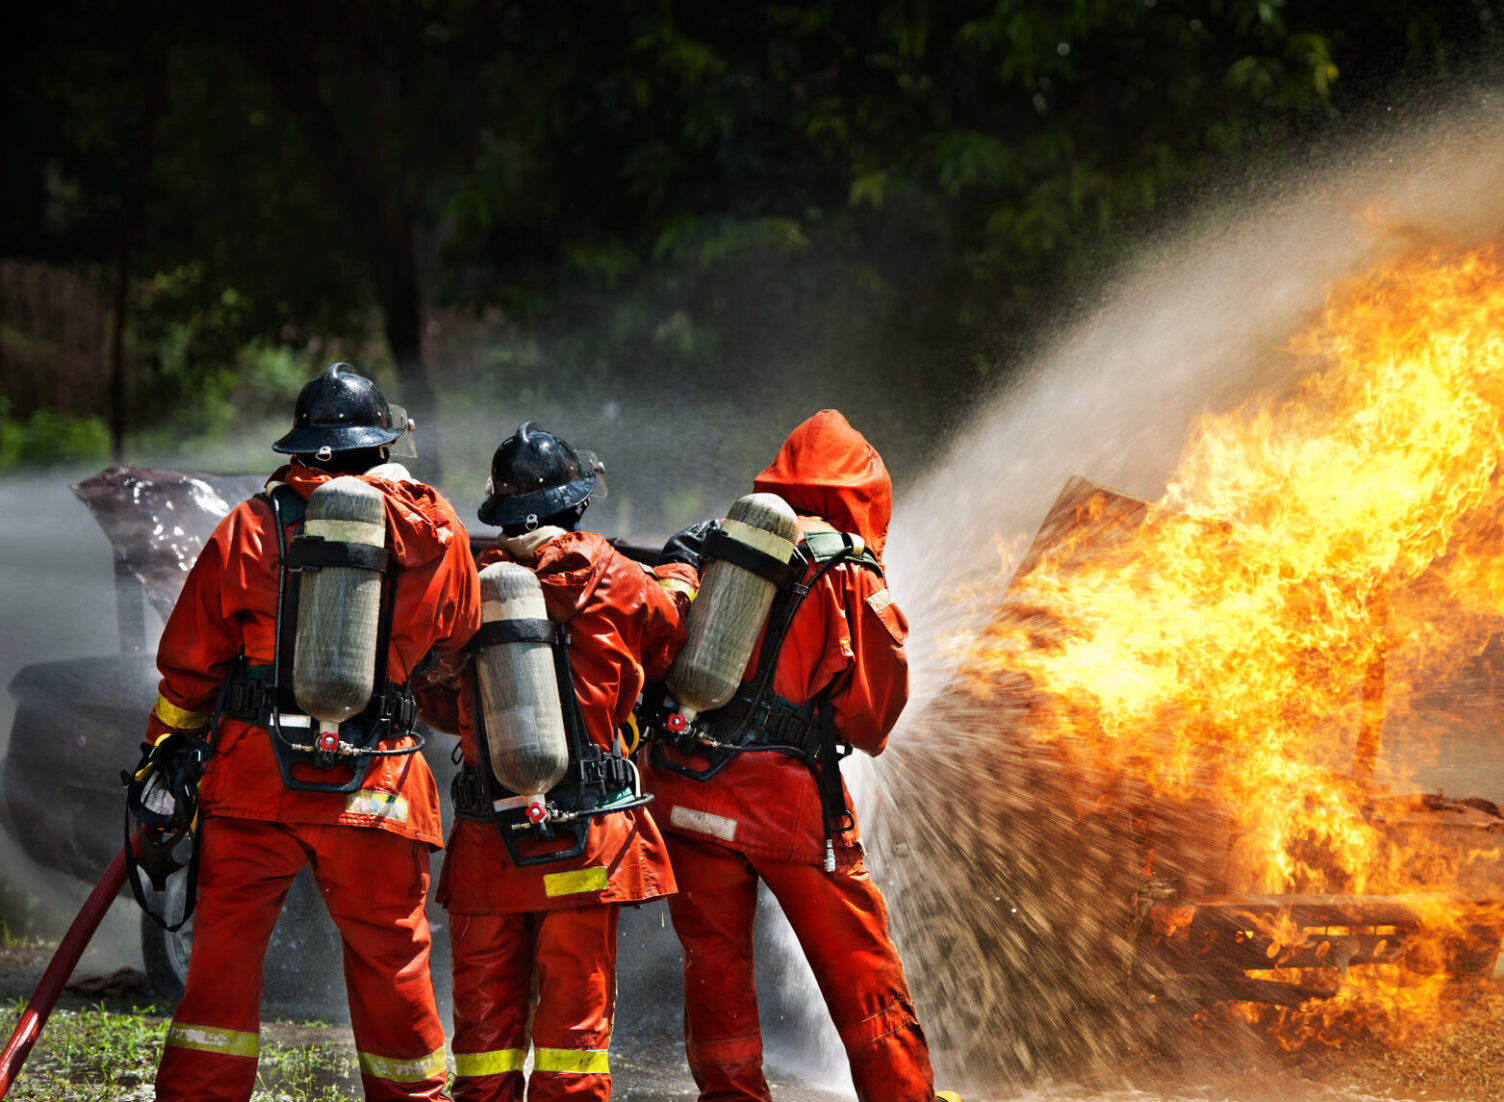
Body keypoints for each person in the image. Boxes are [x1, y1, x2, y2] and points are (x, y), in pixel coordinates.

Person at [141, 363, 478, 1101]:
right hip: (378, 784)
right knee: (394, 970)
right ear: (379, 446)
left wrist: (158, 757)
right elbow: (456, 639)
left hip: (256, 781)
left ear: (304, 450)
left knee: (221, 974)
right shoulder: (438, 531)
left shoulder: (250, 526)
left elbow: (191, 668)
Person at [646, 410, 945, 1102]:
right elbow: (870, 718)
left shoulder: (720, 546)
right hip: (782, 806)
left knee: (715, 965)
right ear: (864, 495)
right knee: (859, 966)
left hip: (685, 788)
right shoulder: (850, 571)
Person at [415, 422, 695, 1102]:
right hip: (582, 845)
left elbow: (432, 699)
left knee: (483, 1045)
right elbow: (667, 647)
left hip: (490, 844)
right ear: (574, 503)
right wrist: (683, 571)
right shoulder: (618, 578)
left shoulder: (468, 590)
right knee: (572, 1036)